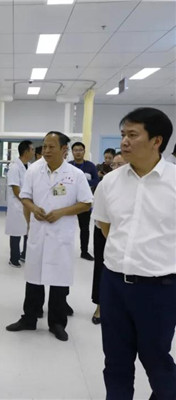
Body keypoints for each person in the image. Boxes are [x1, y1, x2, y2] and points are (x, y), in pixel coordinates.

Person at [92, 108, 175, 399]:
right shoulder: (110, 182)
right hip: (114, 285)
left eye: (133, 134)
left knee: (157, 361)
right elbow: (106, 226)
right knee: (115, 362)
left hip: (159, 288)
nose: (124, 141)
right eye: (123, 134)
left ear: (157, 141)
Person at [6, 131, 93, 342]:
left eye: (51, 147)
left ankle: (57, 323)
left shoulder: (75, 174)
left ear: (64, 149)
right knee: (33, 278)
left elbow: (86, 203)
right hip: (38, 231)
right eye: (44, 146)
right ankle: (29, 318)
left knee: (59, 280)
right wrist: (33, 209)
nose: (46, 150)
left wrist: (61, 212)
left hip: (61, 234)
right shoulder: (34, 170)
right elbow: (25, 197)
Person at [90, 152, 126, 325]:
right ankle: (99, 306)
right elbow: (100, 216)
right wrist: (112, 238)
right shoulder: (106, 183)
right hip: (104, 233)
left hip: (126, 236)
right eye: (114, 165)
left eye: (120, 164)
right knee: (101, 269)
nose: (116, 168)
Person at [68, 141, 99, 261]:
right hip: (69, 201)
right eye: (75, 150)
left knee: (84, 228)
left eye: (80, 150)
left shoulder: (90, 166)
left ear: (84, 151)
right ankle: (65, 250)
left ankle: (84, 252)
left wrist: (83, 183)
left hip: (84, 202)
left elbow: (96, 180)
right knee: (66, 227)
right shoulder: (68, 166)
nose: (78, 152)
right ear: (72, 152)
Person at [5, 140, 34, 267]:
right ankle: (14, 259)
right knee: (16, 233)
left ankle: (24, 255)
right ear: (26, 151)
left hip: (27, 204)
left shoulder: (30, 166)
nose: (33, 152)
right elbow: (16, 190)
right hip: (18, 205)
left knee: (28, 231)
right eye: (32, 150)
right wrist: (27, 202)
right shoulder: (14, 167)